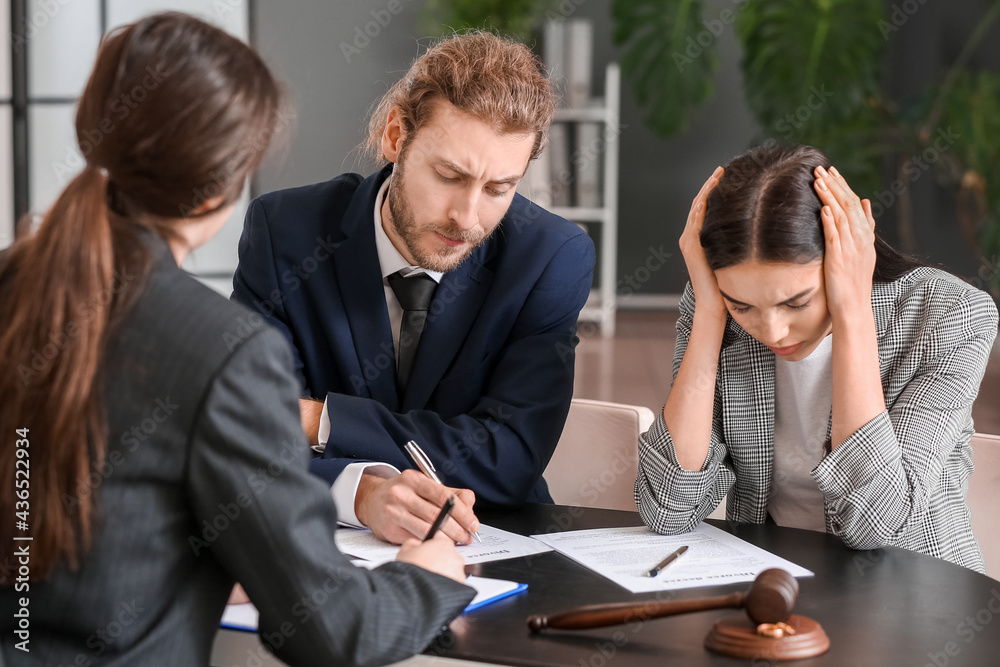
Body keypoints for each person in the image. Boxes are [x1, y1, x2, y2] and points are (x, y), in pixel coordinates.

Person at [0, 13, 474, 666]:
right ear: (219, 189)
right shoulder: (225, 351)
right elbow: (331, 629)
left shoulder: (14, 282)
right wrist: (428, 577)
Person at [232, 32, 596, 545]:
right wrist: (360, 493)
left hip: (495, 542)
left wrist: (323, 420)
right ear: (395, 136)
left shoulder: (551, 258)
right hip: (319, 537)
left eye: (499, 189)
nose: (467, 218)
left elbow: (510, 460)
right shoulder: (284, 233)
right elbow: (247, 434)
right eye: (449, 175)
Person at [636, 145, 998, 572]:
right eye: (742, 305)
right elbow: (669, 509)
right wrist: (711, 313)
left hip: (913, 589)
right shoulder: (715, 310)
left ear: (847, 255)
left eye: (796, 302)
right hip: (772, 580)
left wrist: (853, 311)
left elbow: (876, 526)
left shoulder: (950, 314)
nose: (772, 331)